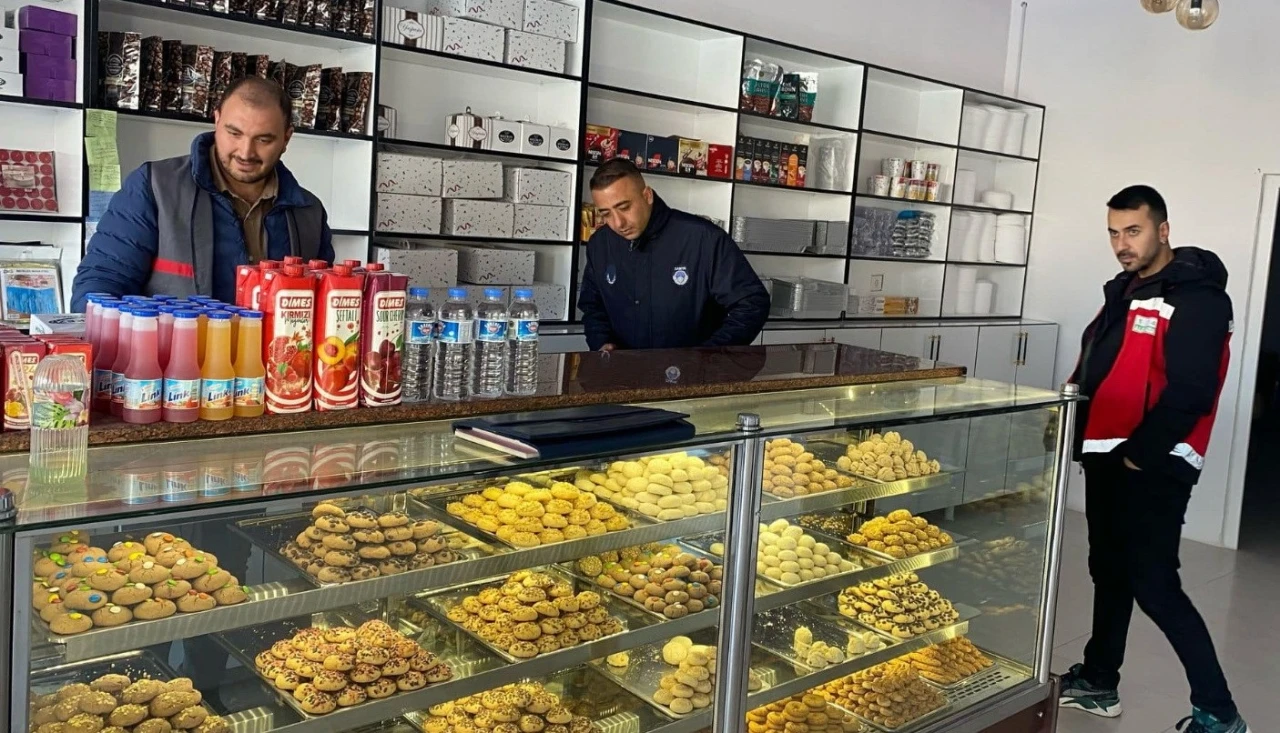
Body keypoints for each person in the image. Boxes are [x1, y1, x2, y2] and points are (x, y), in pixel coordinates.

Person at [1060, 185, 1248, 733]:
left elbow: (1191, 391)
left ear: (1163, 231)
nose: (1122, 243)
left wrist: (1139, 458)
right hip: (1108, 456)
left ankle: (1220, 713)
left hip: (1152, 464)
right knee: (1109, 570)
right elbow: (1102, 364)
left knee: (1155, 584)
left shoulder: (1199, 299)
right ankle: (1099, 680)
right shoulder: (1126, 289)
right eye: (1114, 233)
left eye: (1133, 231)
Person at [70, 76, 334, 310]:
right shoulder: (154, 187)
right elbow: (99, 288)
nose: (245, 152)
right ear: (216, 120)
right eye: (234, 133)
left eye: (264, 140)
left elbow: (323, 309)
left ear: (287, 138)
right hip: (170, 352)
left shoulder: (308, 213)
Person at [578, 158, 770, 350]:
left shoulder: (703, 238)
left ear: (647, 196)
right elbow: (593, 306)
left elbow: (751, 303)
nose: (618, 223)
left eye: (624, 208)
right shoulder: (599, 244)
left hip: (694, 368)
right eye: (606, 214)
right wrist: (601, 342)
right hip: (622, 367)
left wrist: (709, 356)